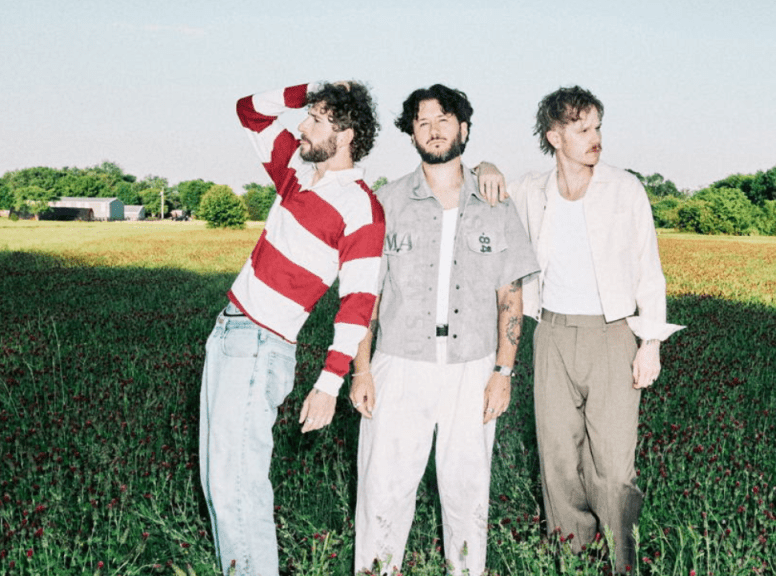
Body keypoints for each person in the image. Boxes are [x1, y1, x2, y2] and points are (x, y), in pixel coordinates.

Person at [349, 84, 538, 576]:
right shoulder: (386, 202)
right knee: (383, 492)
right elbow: (366, 296)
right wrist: (361, 369)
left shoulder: (496, 203)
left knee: (467, 493)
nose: (433, 130)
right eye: (423, 122)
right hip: (398, 363)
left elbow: (510, 296)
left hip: (472, 367)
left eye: (444, 120)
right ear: (411, 133)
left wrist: (503, 372)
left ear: (464, 128)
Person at [199, 81, 385, 576]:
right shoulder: (296, 173)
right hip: (229, 334)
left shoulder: (361, 208)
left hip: (260, 345)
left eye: (316, 119)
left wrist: (329, 384)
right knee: (220, 484)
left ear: (346, 134)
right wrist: (310, 90)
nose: (301, 125)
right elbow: (249, 111)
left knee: (237, 487)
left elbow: (358, 304)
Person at [504, 86, 683, 573]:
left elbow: (649, 271)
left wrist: (650, 344)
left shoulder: (625, 189)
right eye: (582, 129)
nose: (595, 137)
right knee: (558, 460)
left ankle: (623, 561)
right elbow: (482, 185)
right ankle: (573, 558)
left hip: (613, 335)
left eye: (598, 126)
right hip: (552, 335)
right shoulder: (532, 190)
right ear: (554, 137)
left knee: (613, 467)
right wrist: (486, 168)